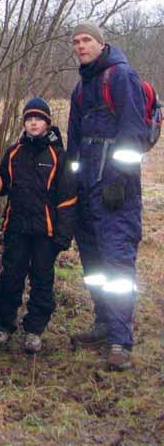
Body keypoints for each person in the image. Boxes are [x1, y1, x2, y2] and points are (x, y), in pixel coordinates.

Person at [66, 21, 147, 371]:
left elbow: (134, 133)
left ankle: (119, 340)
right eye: (76, 42)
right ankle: (102, 322)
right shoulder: (80, 89)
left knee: (116, 264)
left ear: (101, 43)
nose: (81, 46)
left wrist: (120, 179)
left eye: (86, 40)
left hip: (117, 192)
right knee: (94, 264)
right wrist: (70, 184)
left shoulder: (120, 77)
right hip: (87, 188)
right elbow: (74, 142)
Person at [0, 98, 77, 354]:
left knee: (42, 281)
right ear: (24, 123)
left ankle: (34, 330)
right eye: (29, 118)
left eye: (38, 118)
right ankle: (3, 324)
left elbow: (68, 198)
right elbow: (2, 185)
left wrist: (63, 234)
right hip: (16, 229)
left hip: (46, 233)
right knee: (10, 277)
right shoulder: (14, 152)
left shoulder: (59, 155)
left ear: (47, 123)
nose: (33, 123)